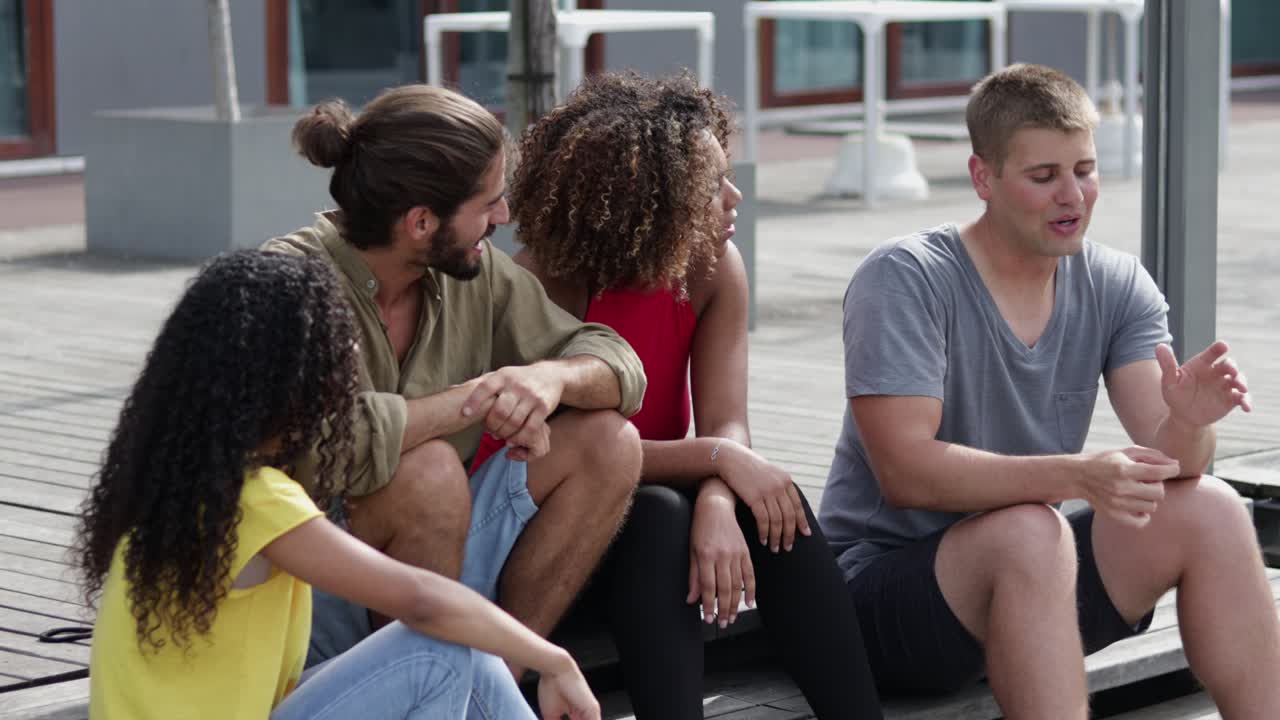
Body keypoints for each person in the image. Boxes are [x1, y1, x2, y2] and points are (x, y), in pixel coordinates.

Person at [819, 63, 1280, 718]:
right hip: (881, 599)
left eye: (1085, 170)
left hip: (1034, 582)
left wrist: (1188, 422)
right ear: (984, 178)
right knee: (1032, 530)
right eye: (1044, 177)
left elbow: (1173, 465)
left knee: (1211, 506)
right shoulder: (906, 277)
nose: (1074, 196)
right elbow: (906, 471)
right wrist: (1078, 476)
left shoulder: (1117, 283)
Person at [472, 71, 882, 719]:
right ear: (645, 200)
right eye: (709, 185)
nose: (733, 195)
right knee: (660, 514)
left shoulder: (710, 270)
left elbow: (727, 426)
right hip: (551, 548)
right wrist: (717, 463)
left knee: (774, 499)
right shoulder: (531, 289)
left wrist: (719, 496)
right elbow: (569, 458)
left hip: (660, 521)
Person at [77, 251, 600, 720]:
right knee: (437, 646)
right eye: (335, 350)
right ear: (292, 378)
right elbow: (421, 600)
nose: (349, 365)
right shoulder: (255, 500)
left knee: (466, 644)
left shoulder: (174, 482)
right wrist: (553, 660)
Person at [261, 85, 646, 678]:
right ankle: (414, 693)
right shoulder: (288, 282)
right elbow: (331, 449)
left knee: (608, 442)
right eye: (488, 203)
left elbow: (616, 360)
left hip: (433, 562)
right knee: (429, 473)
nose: (504, 218)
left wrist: (547, 378)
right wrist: (481, 398)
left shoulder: (475, 272)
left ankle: (491, 686)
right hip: (303, 585)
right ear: (421, 222)